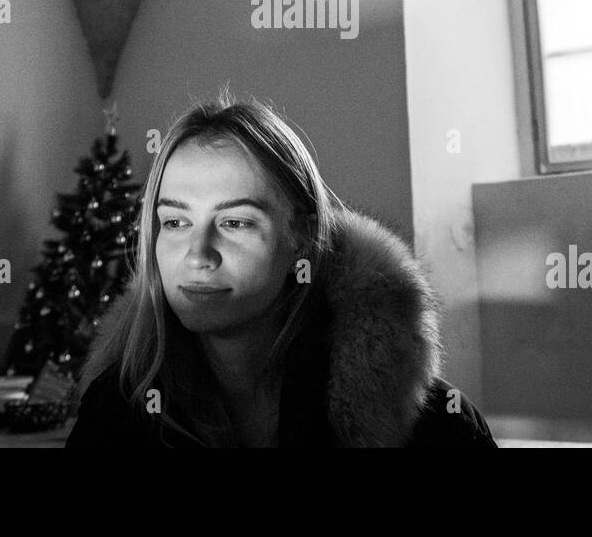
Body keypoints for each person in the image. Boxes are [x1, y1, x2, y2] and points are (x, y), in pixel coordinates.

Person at [65, 90, 496, 448]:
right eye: (175, 222)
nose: (198, 255)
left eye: (235, 222)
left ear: (302, 239)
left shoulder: (433, 426)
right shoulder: (115, 415)